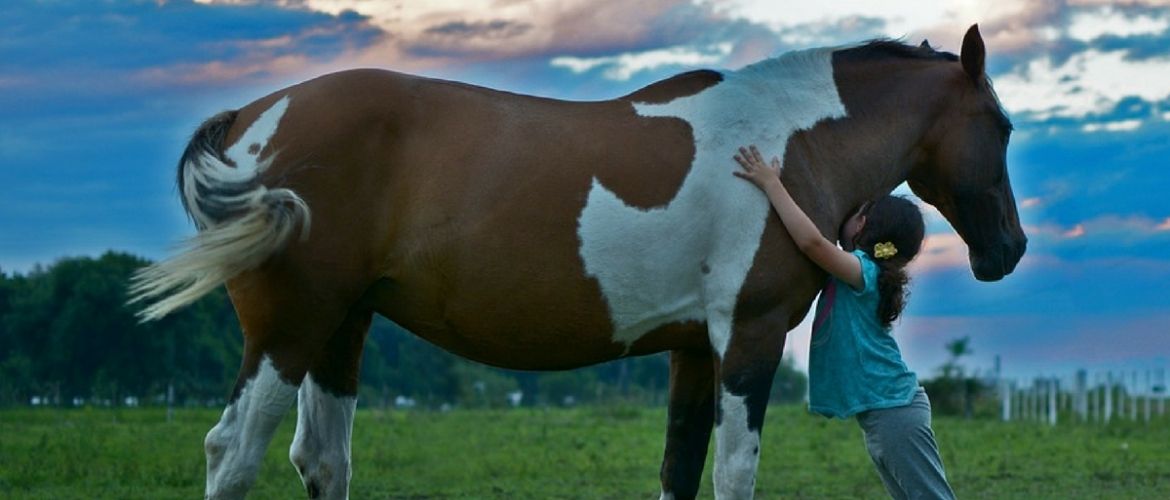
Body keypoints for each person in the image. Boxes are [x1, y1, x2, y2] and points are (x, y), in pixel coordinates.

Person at [733, 145, 955, 500]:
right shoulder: (866, 271)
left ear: (864, 225)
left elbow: (811, 243)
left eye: (855, 211)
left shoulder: (863, 270)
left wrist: (772, 184)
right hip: (886, 414)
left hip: (894, 412)